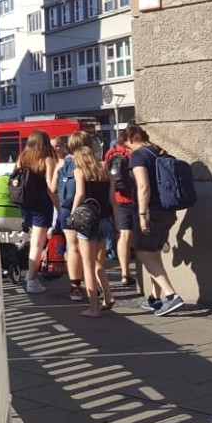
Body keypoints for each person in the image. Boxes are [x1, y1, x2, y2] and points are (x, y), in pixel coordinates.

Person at [126, 122, 186, 316]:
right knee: (154, 254)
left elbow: (143, 186)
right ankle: (155, 298)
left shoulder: (138, 155)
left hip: (151, 211)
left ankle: (171, 296)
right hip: (167, 210)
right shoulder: (158, 151)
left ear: (130, 140)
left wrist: (143, 215)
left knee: (144, 255)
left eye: (125, 145)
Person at [70, 142, 117, 317]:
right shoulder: (105, 173)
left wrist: (73, 215)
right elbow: (113, 201)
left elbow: (80, 194)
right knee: (96, 261)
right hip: (105, 221)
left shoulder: (79, 172)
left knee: (88, 265)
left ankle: (94, 308)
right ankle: (109, 296)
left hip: (88, 221)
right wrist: (117, 225)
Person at [15, 129, 58, 294]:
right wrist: (59, 208)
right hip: (41, 204)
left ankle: (31, 277)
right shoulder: (47, 159)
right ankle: (31, 279)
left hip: (25, 203)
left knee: (34, 240)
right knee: (38, 243)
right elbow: (50, 188)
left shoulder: (22, 158)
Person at [51, 135, 85, 301]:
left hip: (66, 210)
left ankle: (75, 286)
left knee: (73, 247)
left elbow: (52, 188)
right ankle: (94, 283)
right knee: (89, 249)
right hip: (89, 210)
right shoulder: (91, 163)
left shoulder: (63, 164)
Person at [103, 133, 137, 288]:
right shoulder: (133, 152)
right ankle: (134, 272)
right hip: (133, 196)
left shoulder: (111, 152)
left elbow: (106, 173)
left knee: (123, 234)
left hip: (117, 197)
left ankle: (125, 273)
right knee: (133, 235)